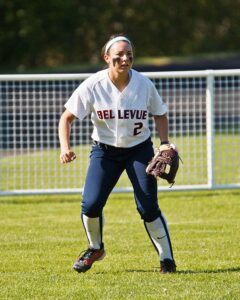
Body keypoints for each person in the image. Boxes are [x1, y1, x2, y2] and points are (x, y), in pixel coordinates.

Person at [58, 34, 176, 274]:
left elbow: (160, 113)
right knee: (90, 204)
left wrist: (164, 143)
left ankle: (167, 260)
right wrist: (65, 147)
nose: (125, 58)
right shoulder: (94, 84)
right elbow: (66, 118)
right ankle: (95, 248)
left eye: (129, 54)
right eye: (119, 55)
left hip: (139, 150)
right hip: (105, 151)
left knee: (148, 207)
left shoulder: (143, 84)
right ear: (106, 57)